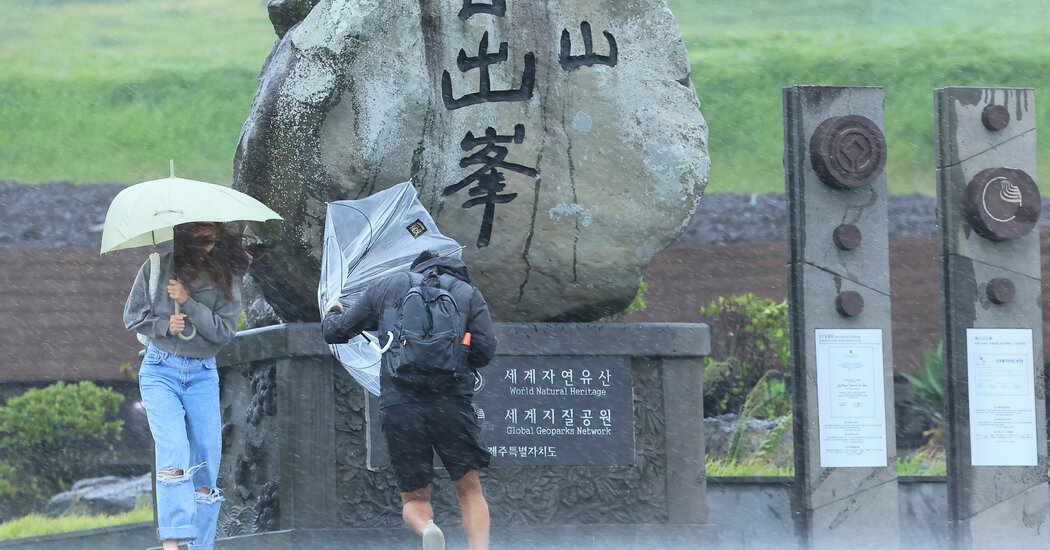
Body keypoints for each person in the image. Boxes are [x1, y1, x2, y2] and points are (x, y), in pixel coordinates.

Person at [322, 250, 496, 550]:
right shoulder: (467, 293)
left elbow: (336, 332)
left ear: (417, 266)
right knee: (470, 491)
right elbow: (484, 351)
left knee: (415, 497)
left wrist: (333, 310)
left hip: (401, 405)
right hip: (451, 404)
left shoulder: (388, 285)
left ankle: (427, 527)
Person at [124, 222, 250, 550]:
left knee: (207, 463)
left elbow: (224, 332)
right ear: (183, 238)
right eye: (197, 240)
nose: (204, 247)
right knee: (174, 453)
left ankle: (201, 546)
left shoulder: (228, 277)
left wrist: (188, 303)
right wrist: (165, 324)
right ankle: (173, 541)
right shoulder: (156, 268)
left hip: (202, 375)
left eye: (210, 240)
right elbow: (132, 316)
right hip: (159, 370)